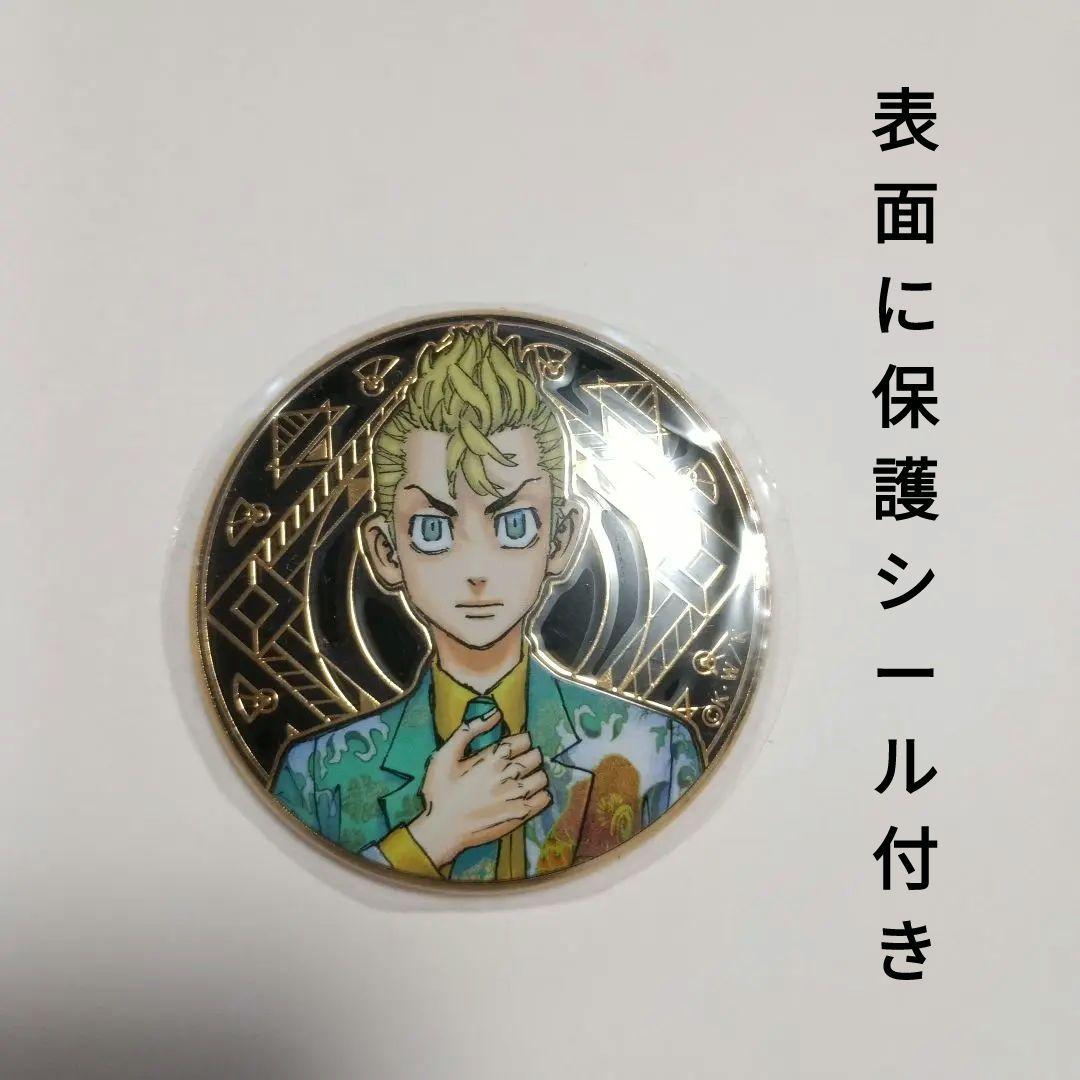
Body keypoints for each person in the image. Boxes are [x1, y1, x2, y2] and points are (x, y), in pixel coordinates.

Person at [271, 323, 701, 881]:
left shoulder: (657, 751)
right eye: (432, 529)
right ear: (385, 550)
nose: (476, 569)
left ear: (561, 538)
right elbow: (302, 909)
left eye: (514, 524)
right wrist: (430, 839)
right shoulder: (316, 776)